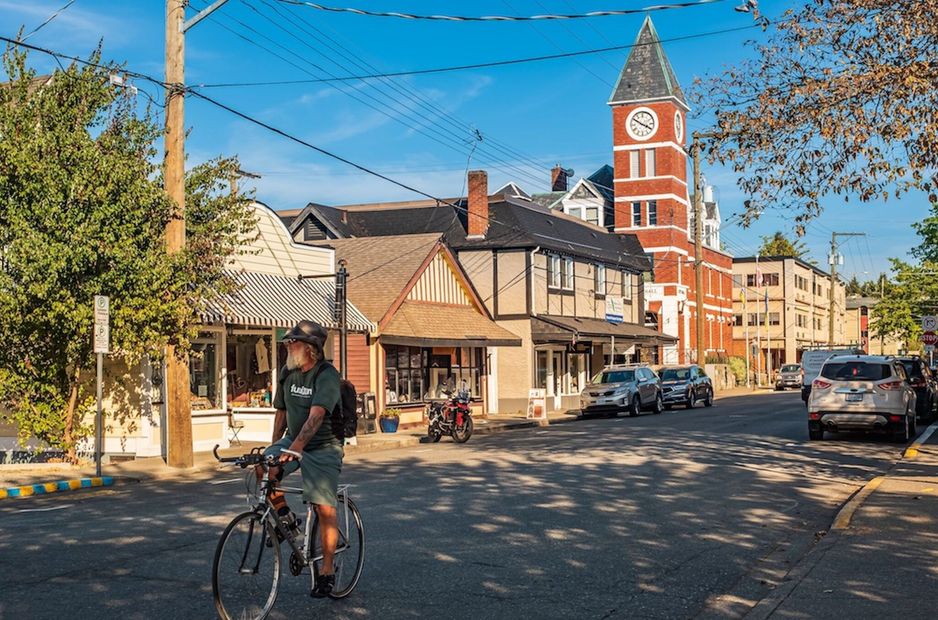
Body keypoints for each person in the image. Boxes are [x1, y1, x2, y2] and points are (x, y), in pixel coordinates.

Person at [258, 320, 344, 598]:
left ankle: (327, 571)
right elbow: (281, 412)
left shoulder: (326, 374)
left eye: (293, 341)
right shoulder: (288, 372)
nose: (287, 345)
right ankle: (286, 518)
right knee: (263, 467)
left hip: (322, 447)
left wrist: (295, 448)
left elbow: (317, 415)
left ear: (311, 349)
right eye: (287, 341)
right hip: (292, 440)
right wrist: (273, 449)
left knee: (324, 507)